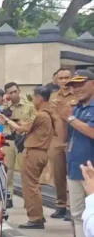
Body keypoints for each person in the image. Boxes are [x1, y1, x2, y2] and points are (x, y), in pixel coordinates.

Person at [0, 86, 53, 229]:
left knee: (30, 186)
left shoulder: (41, 114)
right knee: (34, 185)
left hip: (34, 152)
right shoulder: (48, 113)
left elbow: (22, 129)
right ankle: (38, 215)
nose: (33, 100)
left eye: (34, 97)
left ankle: (35, 218)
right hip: (41, 151)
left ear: (39, 98)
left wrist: (8, 121)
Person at [59, 70, 94, 237]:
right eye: (73, 86)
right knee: (79, 213)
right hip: (75, 166)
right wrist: (64, 118)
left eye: (81, 84)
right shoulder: (78, 108)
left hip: (91, 169)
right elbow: (64, 137)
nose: (76, 89)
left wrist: (70, 119)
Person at [1, 82, 36, 209]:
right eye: (10, 92)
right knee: (8, 169)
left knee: (24, 170)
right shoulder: (5, 107)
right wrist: (5, 106)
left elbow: (34, 120)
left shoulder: (29, 105)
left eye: (15, 91)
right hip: (8, 140)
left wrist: (21, 123)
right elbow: (0, 120)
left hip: (23, 140)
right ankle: (8, 196)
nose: (13, 94)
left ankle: (29, 199)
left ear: (19, 91)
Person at [49, 68, 75, 220]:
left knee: (73, 174)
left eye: (67, 78)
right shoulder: (53, 97)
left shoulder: (77, 96)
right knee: (58, 174)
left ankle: (73, 207)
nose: (64, 81)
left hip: (73, 138)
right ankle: (61, 206)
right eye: (61, 78)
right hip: (56, 139)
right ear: (56, 80)